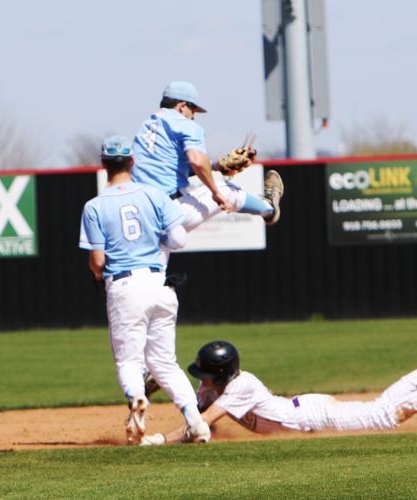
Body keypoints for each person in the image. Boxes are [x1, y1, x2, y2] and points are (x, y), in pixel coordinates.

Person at [78, 135, 210, 445]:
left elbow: (97, 260)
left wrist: (97, 274)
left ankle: (137, 398)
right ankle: (196, 422)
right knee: (165, 362)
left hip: (125, 285)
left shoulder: (94, 206)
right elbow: (179, 240)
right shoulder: (155, 195)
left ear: (103, 165)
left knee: (129, 362)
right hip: (159, 284)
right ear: (132, 162)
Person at [140, 340, 417, 445]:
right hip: (305, 411)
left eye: (204, 375)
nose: (201, 382)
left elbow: (198, 425)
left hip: (315, 416)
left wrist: (159, 442)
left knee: (386, 414)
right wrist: (167, 383)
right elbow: (195, 412)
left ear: (218, 374)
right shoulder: (217, 387)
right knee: (384, 407)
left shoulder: (240, 387)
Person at [132, 80, 284, 238]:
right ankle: (269, 209)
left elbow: (173, 167)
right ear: (182, 105)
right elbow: (197, 161)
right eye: (193, 108)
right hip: (170, 210)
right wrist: (215, 191)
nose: (194, 115)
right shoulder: (184, 124)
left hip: (141, 215)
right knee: (229, 191)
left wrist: (215, 165)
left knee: (154, 262)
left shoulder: (147, 126)